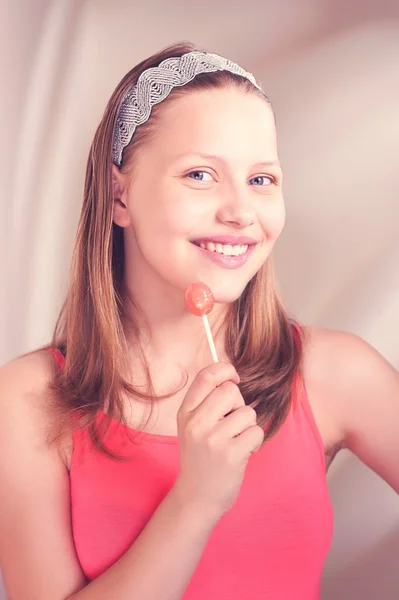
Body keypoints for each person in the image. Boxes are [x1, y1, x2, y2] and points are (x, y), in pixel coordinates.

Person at [0, 41, 398, 600]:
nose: (240, 211)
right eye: (200, 175)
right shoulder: (25, 400)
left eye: (262, 180)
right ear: (119, 195)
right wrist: (195, 502)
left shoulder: (336, 372)